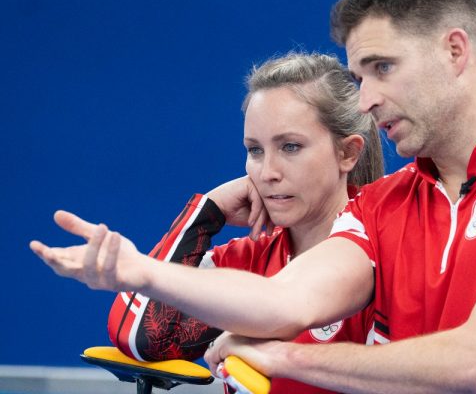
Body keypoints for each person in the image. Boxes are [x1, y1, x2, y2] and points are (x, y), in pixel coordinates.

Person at [31, 0, 476, 394]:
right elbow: (282, 301)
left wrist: (286, 358)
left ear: (455, 51)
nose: (368, 98)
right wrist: (138, 271)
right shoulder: (382, 205)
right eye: (359, 76)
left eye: (382, 68)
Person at [66, 52, 385, 394]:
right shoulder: (245, 259)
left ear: (348, 153)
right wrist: (205, 213)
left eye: (290, 147)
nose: (267, 173)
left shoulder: (387, 240)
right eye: (255, 150)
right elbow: (140, 338)